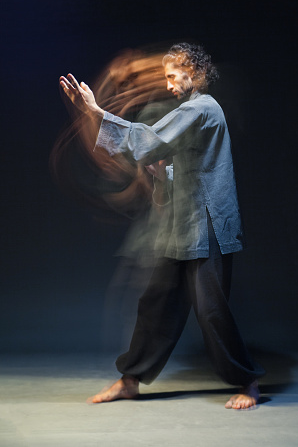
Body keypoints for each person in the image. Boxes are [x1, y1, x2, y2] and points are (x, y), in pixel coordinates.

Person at [59, 42, 265, 409]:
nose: (168, 84)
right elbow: (170, 159)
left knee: (211, 310)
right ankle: (130, 380)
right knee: (156, 303)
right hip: (182, 225)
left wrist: (94, 110)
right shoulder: (190, 112)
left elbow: (149, 140)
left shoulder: (202, 108)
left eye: (173, 76)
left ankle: (247, 382)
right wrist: (160, 172)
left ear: (195, 73)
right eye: (167, 77)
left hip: (208, 225)